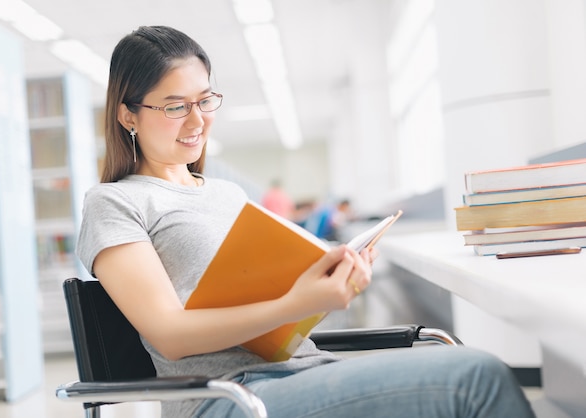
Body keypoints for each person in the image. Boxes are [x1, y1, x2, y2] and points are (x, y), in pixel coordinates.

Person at [76, 26, 535, 418]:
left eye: (205, 99)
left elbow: (261, 293)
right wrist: (299, 303)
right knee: (478, 376)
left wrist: (328, 275)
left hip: (305, 370)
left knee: (471, 374)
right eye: (175, 106)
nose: (197, 120)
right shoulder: (115, 203)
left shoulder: (225, 194)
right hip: (229, 396)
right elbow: (170, 337)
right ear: (127, 114)